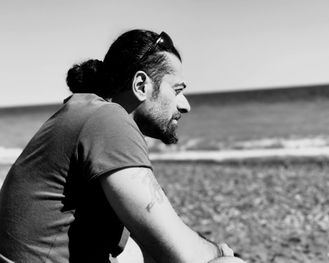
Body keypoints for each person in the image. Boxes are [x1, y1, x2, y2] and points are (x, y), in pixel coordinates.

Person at [0, 29, 246, 263]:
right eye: (177, 90)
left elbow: (144, 242)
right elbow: (185, 256)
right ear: (141, 85)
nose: (185, 105)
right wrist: (221, 252)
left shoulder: (85, 111)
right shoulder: (108, 119)